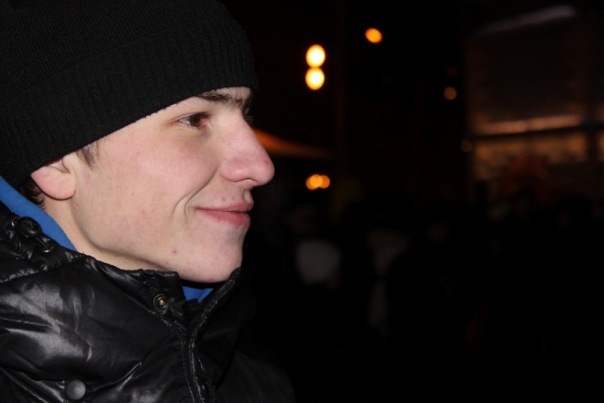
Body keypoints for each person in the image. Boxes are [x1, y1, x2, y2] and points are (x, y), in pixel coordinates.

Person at [0, 0, 295, 401]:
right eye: (195, 120)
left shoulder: (257, 382)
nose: (261, 167)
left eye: (247, 116)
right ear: (57, 161)